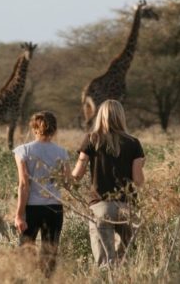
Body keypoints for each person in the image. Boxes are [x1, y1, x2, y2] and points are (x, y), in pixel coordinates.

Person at [72, 100, 145, 268]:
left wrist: (62, 177)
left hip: (100, 207)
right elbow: (138, 181)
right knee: (125, 261)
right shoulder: (134, 143)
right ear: (121, 116)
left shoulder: (91, 139)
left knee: (105, 264)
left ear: (100, 116)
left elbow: (77, 174)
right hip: (128, 207)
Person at [13, 111, 69, 278]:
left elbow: (24, 184)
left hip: (32, 208)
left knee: (25, 252)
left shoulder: (23, 150)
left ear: (34, 128)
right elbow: (67, 183)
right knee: (49, 254)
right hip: (54, 207)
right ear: (54, 129)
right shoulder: (62, 152)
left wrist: (19, 215)